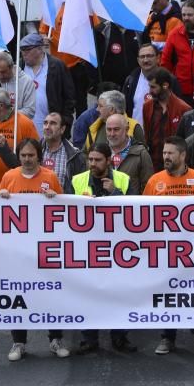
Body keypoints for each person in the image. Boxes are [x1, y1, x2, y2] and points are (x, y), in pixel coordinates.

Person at [0, 138, 69, 361]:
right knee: (19, 295)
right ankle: (18, 342)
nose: (27, 159)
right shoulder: (9, 177)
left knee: (51, 293)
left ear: (38, 155)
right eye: (23, 156)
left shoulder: (50, 177)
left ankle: (55, 340)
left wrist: (54, 199)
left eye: (31, 155)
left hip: (45, 249)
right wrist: (0, 197)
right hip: (17, 251)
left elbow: (63, 209)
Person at [144, 137, 194, 354]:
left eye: (170, 154)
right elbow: (143, 215)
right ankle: (168, 337)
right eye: (164, 153)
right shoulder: (154, 181)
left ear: (183, 155)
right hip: (165, 252)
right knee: (167, 294)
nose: (165, 157)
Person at [73, 143, 139, 353]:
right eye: (90, 159)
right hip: (87, 246)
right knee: (86, 294)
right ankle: (89, 338)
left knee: (119, 293)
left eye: (97, 160)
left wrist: (116, 193)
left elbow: (136, 211)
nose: (92, 163)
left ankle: (120, 336)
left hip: (118, 246)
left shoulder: (123, 180)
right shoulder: (77, 180)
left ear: (108, 161)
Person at [20, 32, 76, 129]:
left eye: (28, 49)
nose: (24, 53)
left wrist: (65, 121)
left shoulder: (57, 66)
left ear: (40, 49)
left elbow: (69, 97)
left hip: (51, 126)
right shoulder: (19, 67)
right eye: (22, 49)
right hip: (24, 125)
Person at [144, 68, 193, 171]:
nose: (150, 91)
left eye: (153, 87)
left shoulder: (184, 109)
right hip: (153, 163)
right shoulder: (147, 106)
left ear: (165, 85)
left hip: (175, 164)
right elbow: (147, 135)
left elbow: (188, 141)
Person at [106, 113, 154, 192]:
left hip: (132, 203)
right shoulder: (100, 152)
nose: (112, 134)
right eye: (109, 129)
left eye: (116, 129)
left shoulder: (141, 153)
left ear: (127, 129)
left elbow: (148, 187)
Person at [41, 112, 86, 192]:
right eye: (45, 123)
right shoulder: (34, 150)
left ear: (62, 129)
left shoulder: (75, 156)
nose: (47, 127)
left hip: (63, 203)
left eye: (53, 123)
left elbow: (81, 188)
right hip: (37, 203)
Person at [124, 43, 165, 124]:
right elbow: (125, 109)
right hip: (136, 133)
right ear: (138, 60)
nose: (146, 60)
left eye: (149, 56)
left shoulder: (169, 81)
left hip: (161, 134)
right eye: (142, 57)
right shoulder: (130, 81)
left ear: (158, 58)